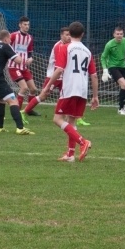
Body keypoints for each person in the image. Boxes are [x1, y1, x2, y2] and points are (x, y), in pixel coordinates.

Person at [39, 21, 98, 162]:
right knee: (71, 121)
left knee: (57, 119)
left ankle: (83, 142)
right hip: (82, 90)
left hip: (70, 88)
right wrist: (95, 96)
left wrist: (47, 87)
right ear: (82, 34)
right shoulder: (88, 52)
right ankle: (70, 155)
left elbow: (59, 69)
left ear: (69, 34)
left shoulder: (65, 48)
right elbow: (94, 75)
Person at [21, 27, 90, 126]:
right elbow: (60, 66)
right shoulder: (59, 46)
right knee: (43, 95)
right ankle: (24, 112)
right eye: (66, 35)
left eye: (69, 34)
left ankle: (77, 119)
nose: (68, 37)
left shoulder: (70, 46)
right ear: (61, 35)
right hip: (54, 76)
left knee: (70, 96)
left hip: (64, 77)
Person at [0, 29, 35, 135]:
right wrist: (18, 54)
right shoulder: (5, 46)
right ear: (5, 39)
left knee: (1, 100)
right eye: (9, 38)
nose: (10, 40)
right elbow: (18, 60)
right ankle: (20, 128)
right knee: (13, 101)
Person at [9, 16, 40, 115]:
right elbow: (6, 48)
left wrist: (30, 58)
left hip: (24, 67)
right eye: (25, 24)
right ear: (20, 25)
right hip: (14, 66)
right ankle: (17, 112)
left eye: (28, 25)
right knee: (24, 88)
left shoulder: (30, 37)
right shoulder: (13, 36)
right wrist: (13, 57)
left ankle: (29, 110)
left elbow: (29, 52)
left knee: (33, 89)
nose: (27, 26)